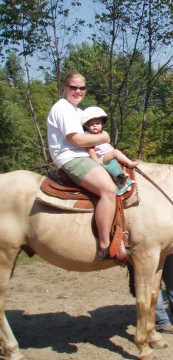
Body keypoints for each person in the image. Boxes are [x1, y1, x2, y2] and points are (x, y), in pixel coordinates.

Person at [47, 71, 117, 261]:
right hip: (71, 157)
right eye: (73, 87)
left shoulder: (79, 112)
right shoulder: (62, 108)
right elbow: (77, 140)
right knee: (109, 190)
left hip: (85, 155)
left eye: (82, 88)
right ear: (65, 88)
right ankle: (104, 245)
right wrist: (103, 136)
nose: (78, 91)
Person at [81, 106, 139, 195]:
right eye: (92, 124)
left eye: (97, 123)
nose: (95, 125)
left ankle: (121, 179)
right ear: (87, 126)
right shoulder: (89, 136)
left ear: (102, 124)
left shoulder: (103, 133)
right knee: (115, 152)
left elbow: (107, 142)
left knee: (114, 160)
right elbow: (90, 150)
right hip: (101, 158)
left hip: (107, 155)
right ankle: (129, 163)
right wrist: (96, 161)